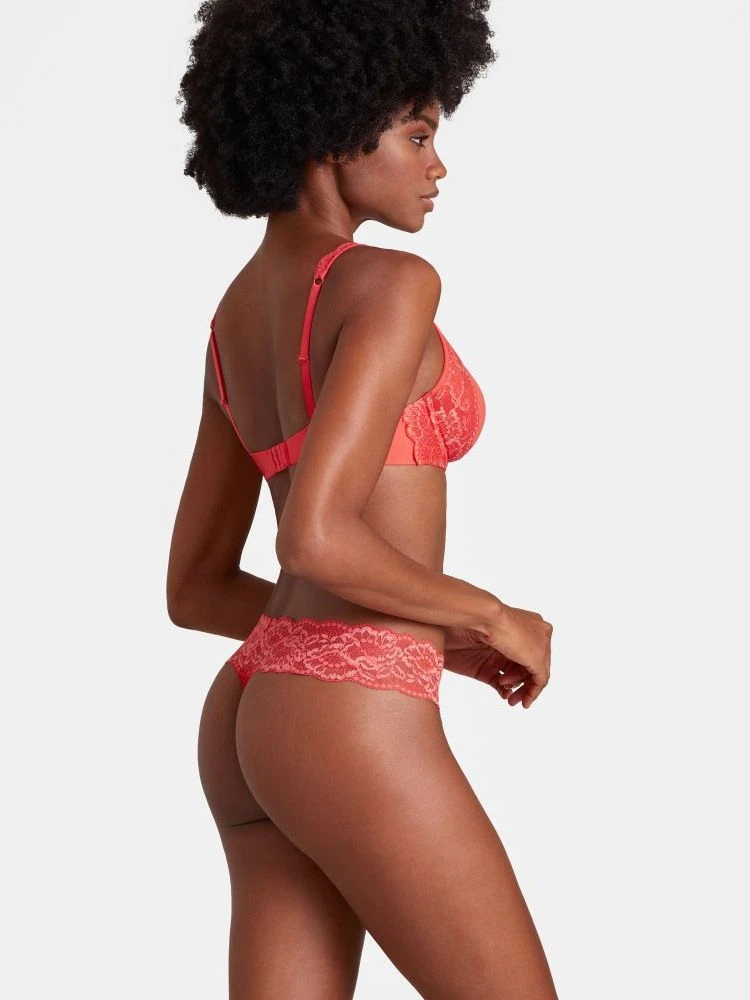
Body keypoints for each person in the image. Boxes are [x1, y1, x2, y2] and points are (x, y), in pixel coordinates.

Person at [167, 2, 557, 997]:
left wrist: (408, 631)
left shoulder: (233, 319)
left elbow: (195, 587)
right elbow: (316, 538)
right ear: (334, 129)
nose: (438, 165)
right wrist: (490, 615)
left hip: (253, 712)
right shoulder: (390, 285)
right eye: (418, 135)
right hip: (348, 721)